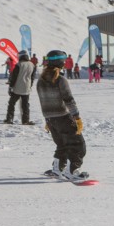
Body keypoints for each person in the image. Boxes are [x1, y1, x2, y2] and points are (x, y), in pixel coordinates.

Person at [37, 50, 87, 179]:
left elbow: (43, 102)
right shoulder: (60, 80)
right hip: (63, 117)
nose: (65, 63)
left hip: (51, 119)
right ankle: (73, 171)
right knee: (78, 144)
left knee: (62, 144)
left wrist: (48, 120)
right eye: (63, 61)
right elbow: (69, 100)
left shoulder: (40, 81)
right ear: (59, 62)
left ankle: (57, 169)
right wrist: (77, 117)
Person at [5, 52, 36, 124]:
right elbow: (32, 77)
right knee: (25, 105)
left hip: (17, 88)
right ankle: (26, 120)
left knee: (12, 103)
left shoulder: (19, 65)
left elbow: (14, 77)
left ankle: (9, 119)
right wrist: (30, 85)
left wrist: (11, 86)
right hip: (26, 88)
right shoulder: (32, 65)